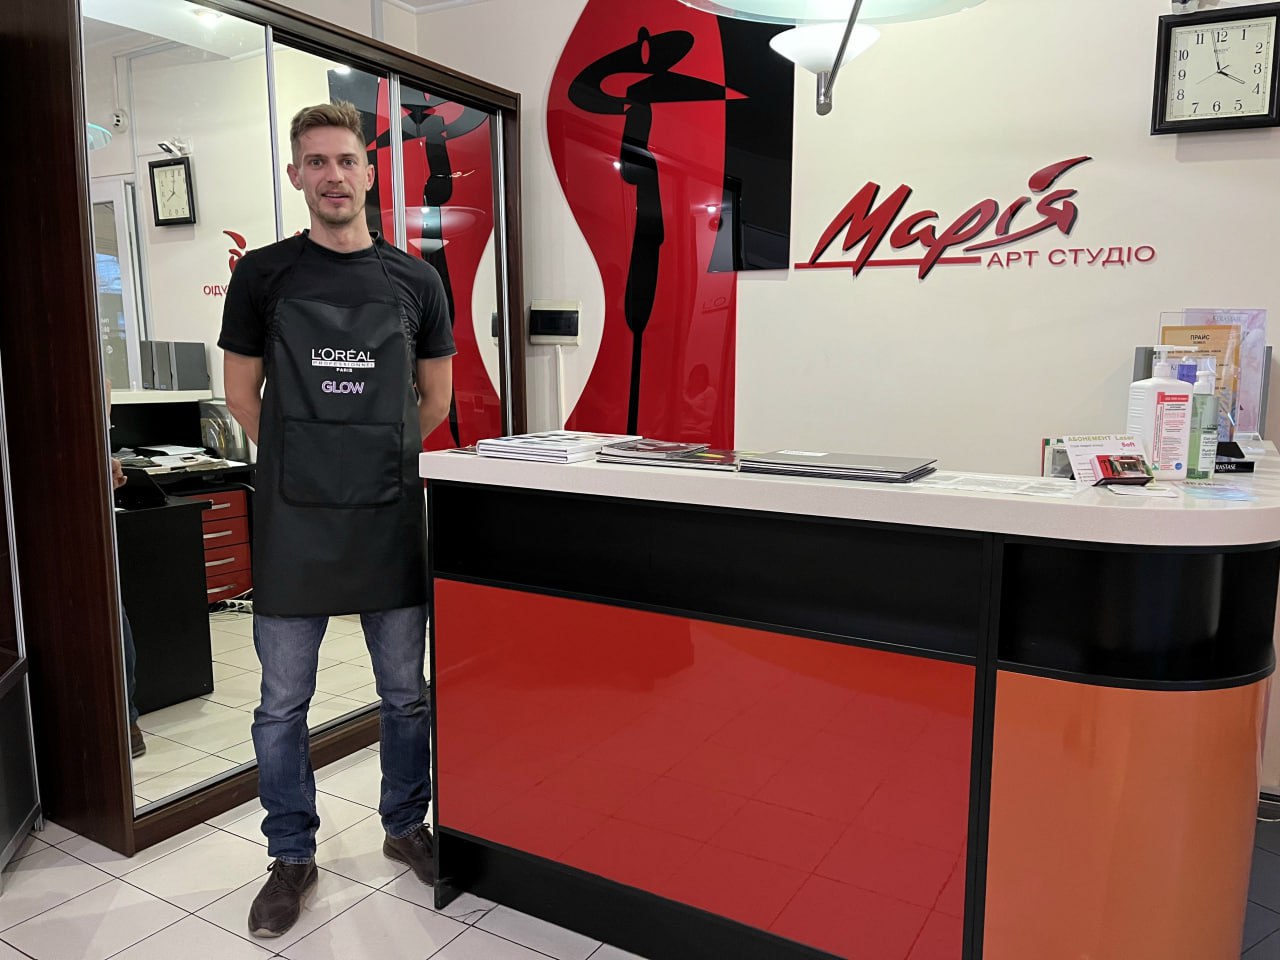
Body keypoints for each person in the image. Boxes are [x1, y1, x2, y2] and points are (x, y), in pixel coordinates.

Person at [218, 100, 454, 940]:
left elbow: (435, 401)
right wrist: (307, 461)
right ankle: (291, 855)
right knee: (282, 704)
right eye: (315, 162)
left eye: (346, 160)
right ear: (296, 175)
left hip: (388, 516)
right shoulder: (263, 276)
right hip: (295, 524)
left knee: (405, 695)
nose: (333, 176)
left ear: (369, 169)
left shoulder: (416, 280)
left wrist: (369, 458)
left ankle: (404, 824)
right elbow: (242, 395)